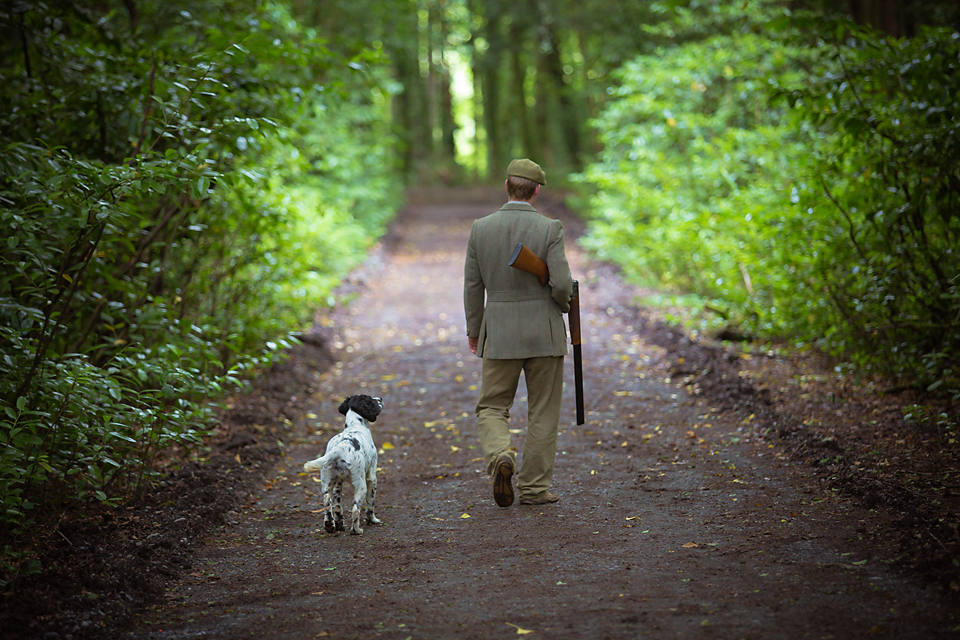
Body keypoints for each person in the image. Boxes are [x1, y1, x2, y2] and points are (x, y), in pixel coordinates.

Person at [463, 158, 574, 507]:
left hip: (499, 331)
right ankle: (535, 489)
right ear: (537, 190)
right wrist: (566, 303)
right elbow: (559, 286)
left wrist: (474, 330)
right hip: (544, 332)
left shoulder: (480, 228)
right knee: (543, 411)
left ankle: (499, 456)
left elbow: (472, 286)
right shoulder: (550, 228)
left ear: (507, 187)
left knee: (492, 407)